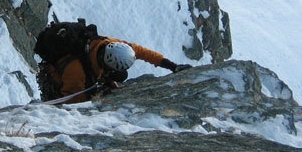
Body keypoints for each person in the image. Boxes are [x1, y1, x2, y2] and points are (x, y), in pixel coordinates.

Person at [41, 32, 191, 103]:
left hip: (87, 73)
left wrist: (172, 66)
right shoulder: (77, 70)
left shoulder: (111, 45)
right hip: (57, 83)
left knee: (121, 77)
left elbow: (143, 53)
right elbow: (71, 98)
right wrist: (97, 93)